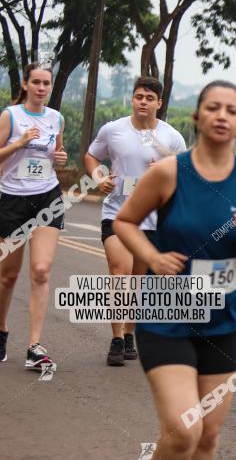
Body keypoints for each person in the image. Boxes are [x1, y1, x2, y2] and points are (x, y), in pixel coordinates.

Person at [116, 81, 236, 460]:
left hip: (224, 322)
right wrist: (152, 256)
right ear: (198, 117)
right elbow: (125, 221)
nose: (222, 116)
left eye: (231, 110)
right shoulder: (168, 172)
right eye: (213, 108)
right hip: (166, 315)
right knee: (184, 429)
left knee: (207, 434)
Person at [84, 76, 186, 366]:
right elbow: (91, 156)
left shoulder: (171, 137)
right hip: (116, 214)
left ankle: (130, 333)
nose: (143, 101)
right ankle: (117, 339)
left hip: (151, 220)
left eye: (149, 98)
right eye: (139, 96)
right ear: (132, 99)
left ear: (159, 103)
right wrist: (98, 177)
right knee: (120, 273)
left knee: (138, 282)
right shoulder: (113, 130)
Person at [0, 62, 68, 370]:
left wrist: (60, 158)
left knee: (41, 270)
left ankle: (34, 347)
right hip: (12, 199)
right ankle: (1, 332)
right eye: (37, 82)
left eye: (46, 84)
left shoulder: (57, 118)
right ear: (26, 85)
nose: (42, 88)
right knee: (8, 276)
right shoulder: (10, 116)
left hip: (46, 198)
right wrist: (19, 143)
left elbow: (57, 158)